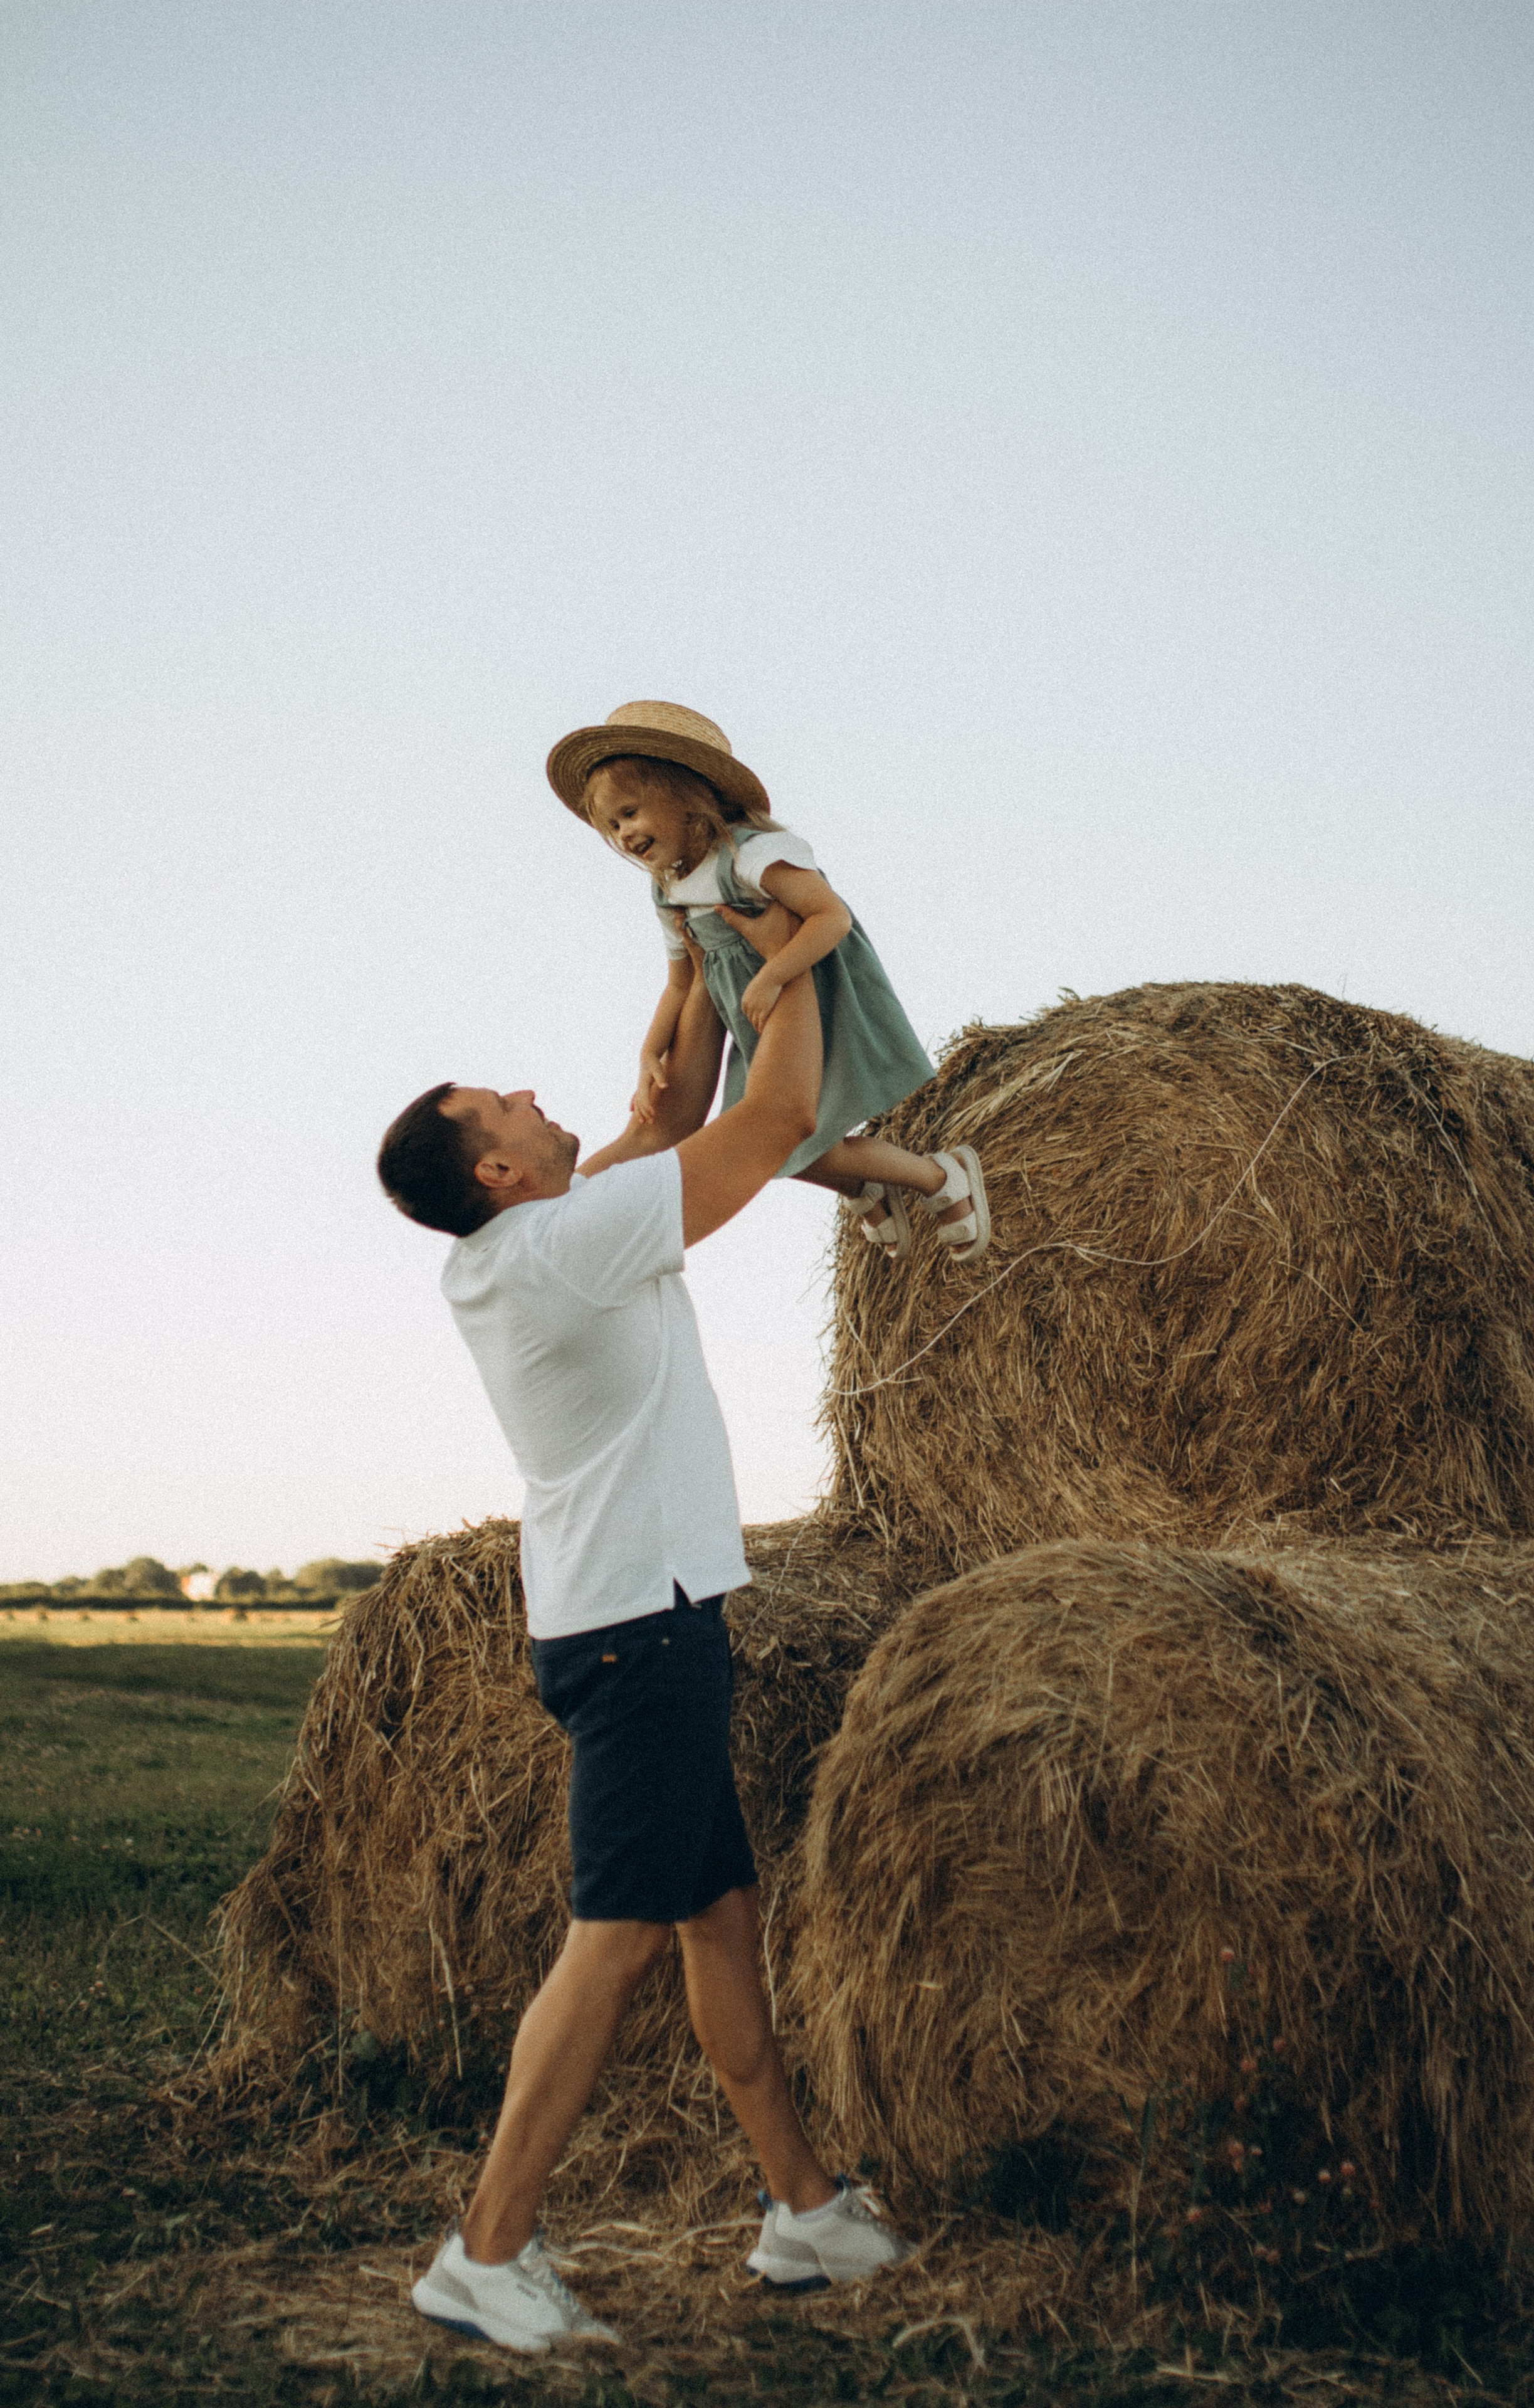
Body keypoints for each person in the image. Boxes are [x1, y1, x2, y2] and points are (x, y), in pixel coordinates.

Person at [376, 902, 913, 2357]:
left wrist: (687, 969)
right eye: (504, 1103)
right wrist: (786, 961)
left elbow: (659, 1109)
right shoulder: (568, 1243)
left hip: (628, 1621)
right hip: (642, 1632)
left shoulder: (524, 1244)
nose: (533, 1096)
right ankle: (484, 2249)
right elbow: (783, 1111)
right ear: (494, 1167)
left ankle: (801, 2203)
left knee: (716, 1918)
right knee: (611, 1939)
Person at [547, 697, 990, 1265]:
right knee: (764, 1143)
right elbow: (681, 985)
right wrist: (650, 1053)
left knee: (779, 1137)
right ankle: (865, 1184)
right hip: (756, 1023)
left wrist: (775, 976)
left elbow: (831, 918)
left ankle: (938, 1177)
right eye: (611, 825)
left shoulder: (751, 856)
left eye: (630, 812)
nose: (623, 833)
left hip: (818, 997)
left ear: (686, 796)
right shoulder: (669, 889)